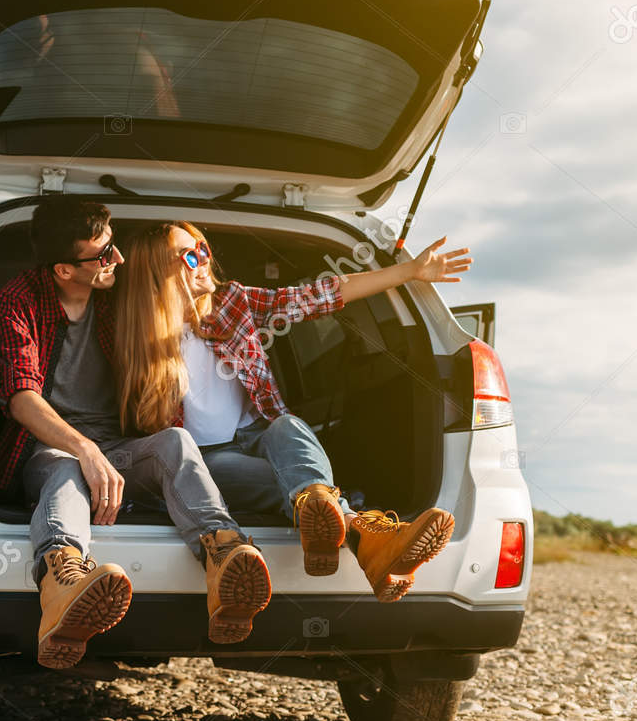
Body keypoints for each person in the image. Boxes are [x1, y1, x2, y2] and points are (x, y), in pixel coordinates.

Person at [112, 221, 473, 601]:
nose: (204, 259)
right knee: (294, 484)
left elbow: (317, 296)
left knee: (289, 426)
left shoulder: (233, 304)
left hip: (257, 438)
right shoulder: (131, 335)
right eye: (190, 254)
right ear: (156, 270)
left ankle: (328, 520)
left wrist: (409, 271)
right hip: (201, 464)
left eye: (203, 248)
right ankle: (367, 540)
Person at [0, 197, 272, 670]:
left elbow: (176, 297)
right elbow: (21, 396)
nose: (116, 259)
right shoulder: (18, 299)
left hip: (121, 446)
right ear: (63, 270)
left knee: (175, 442)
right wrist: (84, 450)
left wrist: (190, 260)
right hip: (50, 446)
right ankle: (63, 585)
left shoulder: (118, 296)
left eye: (114, 246)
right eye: (102, 255)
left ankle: (224, 557)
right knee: (64, 473)